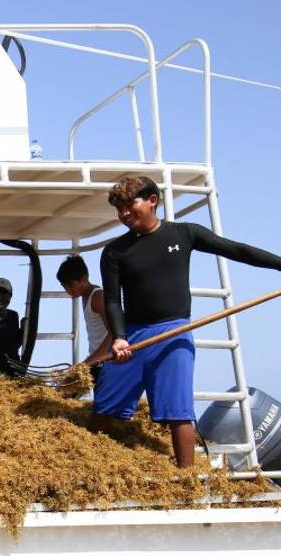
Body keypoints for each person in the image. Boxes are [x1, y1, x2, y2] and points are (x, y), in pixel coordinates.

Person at [94, 175, 281, 466]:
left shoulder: (185, 234)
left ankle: (186, 479)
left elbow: (237, 250)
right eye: (119, 209)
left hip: (175, 332)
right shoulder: (114, 252)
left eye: (130, 205)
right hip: (132, 337)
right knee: (104, 407)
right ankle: (92, 465)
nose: (124, 214)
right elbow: (112, 301)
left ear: (152, 200)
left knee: (178, 412)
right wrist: (119, 337)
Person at [56, 254, 111, 385]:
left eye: (70, 285)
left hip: (109, 363)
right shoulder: (84, 296)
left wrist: (87, 364)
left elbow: (115, 334)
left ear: (84, 278)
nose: (67, 290)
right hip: (97, 362)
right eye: (64, 286)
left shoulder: (98, 297)